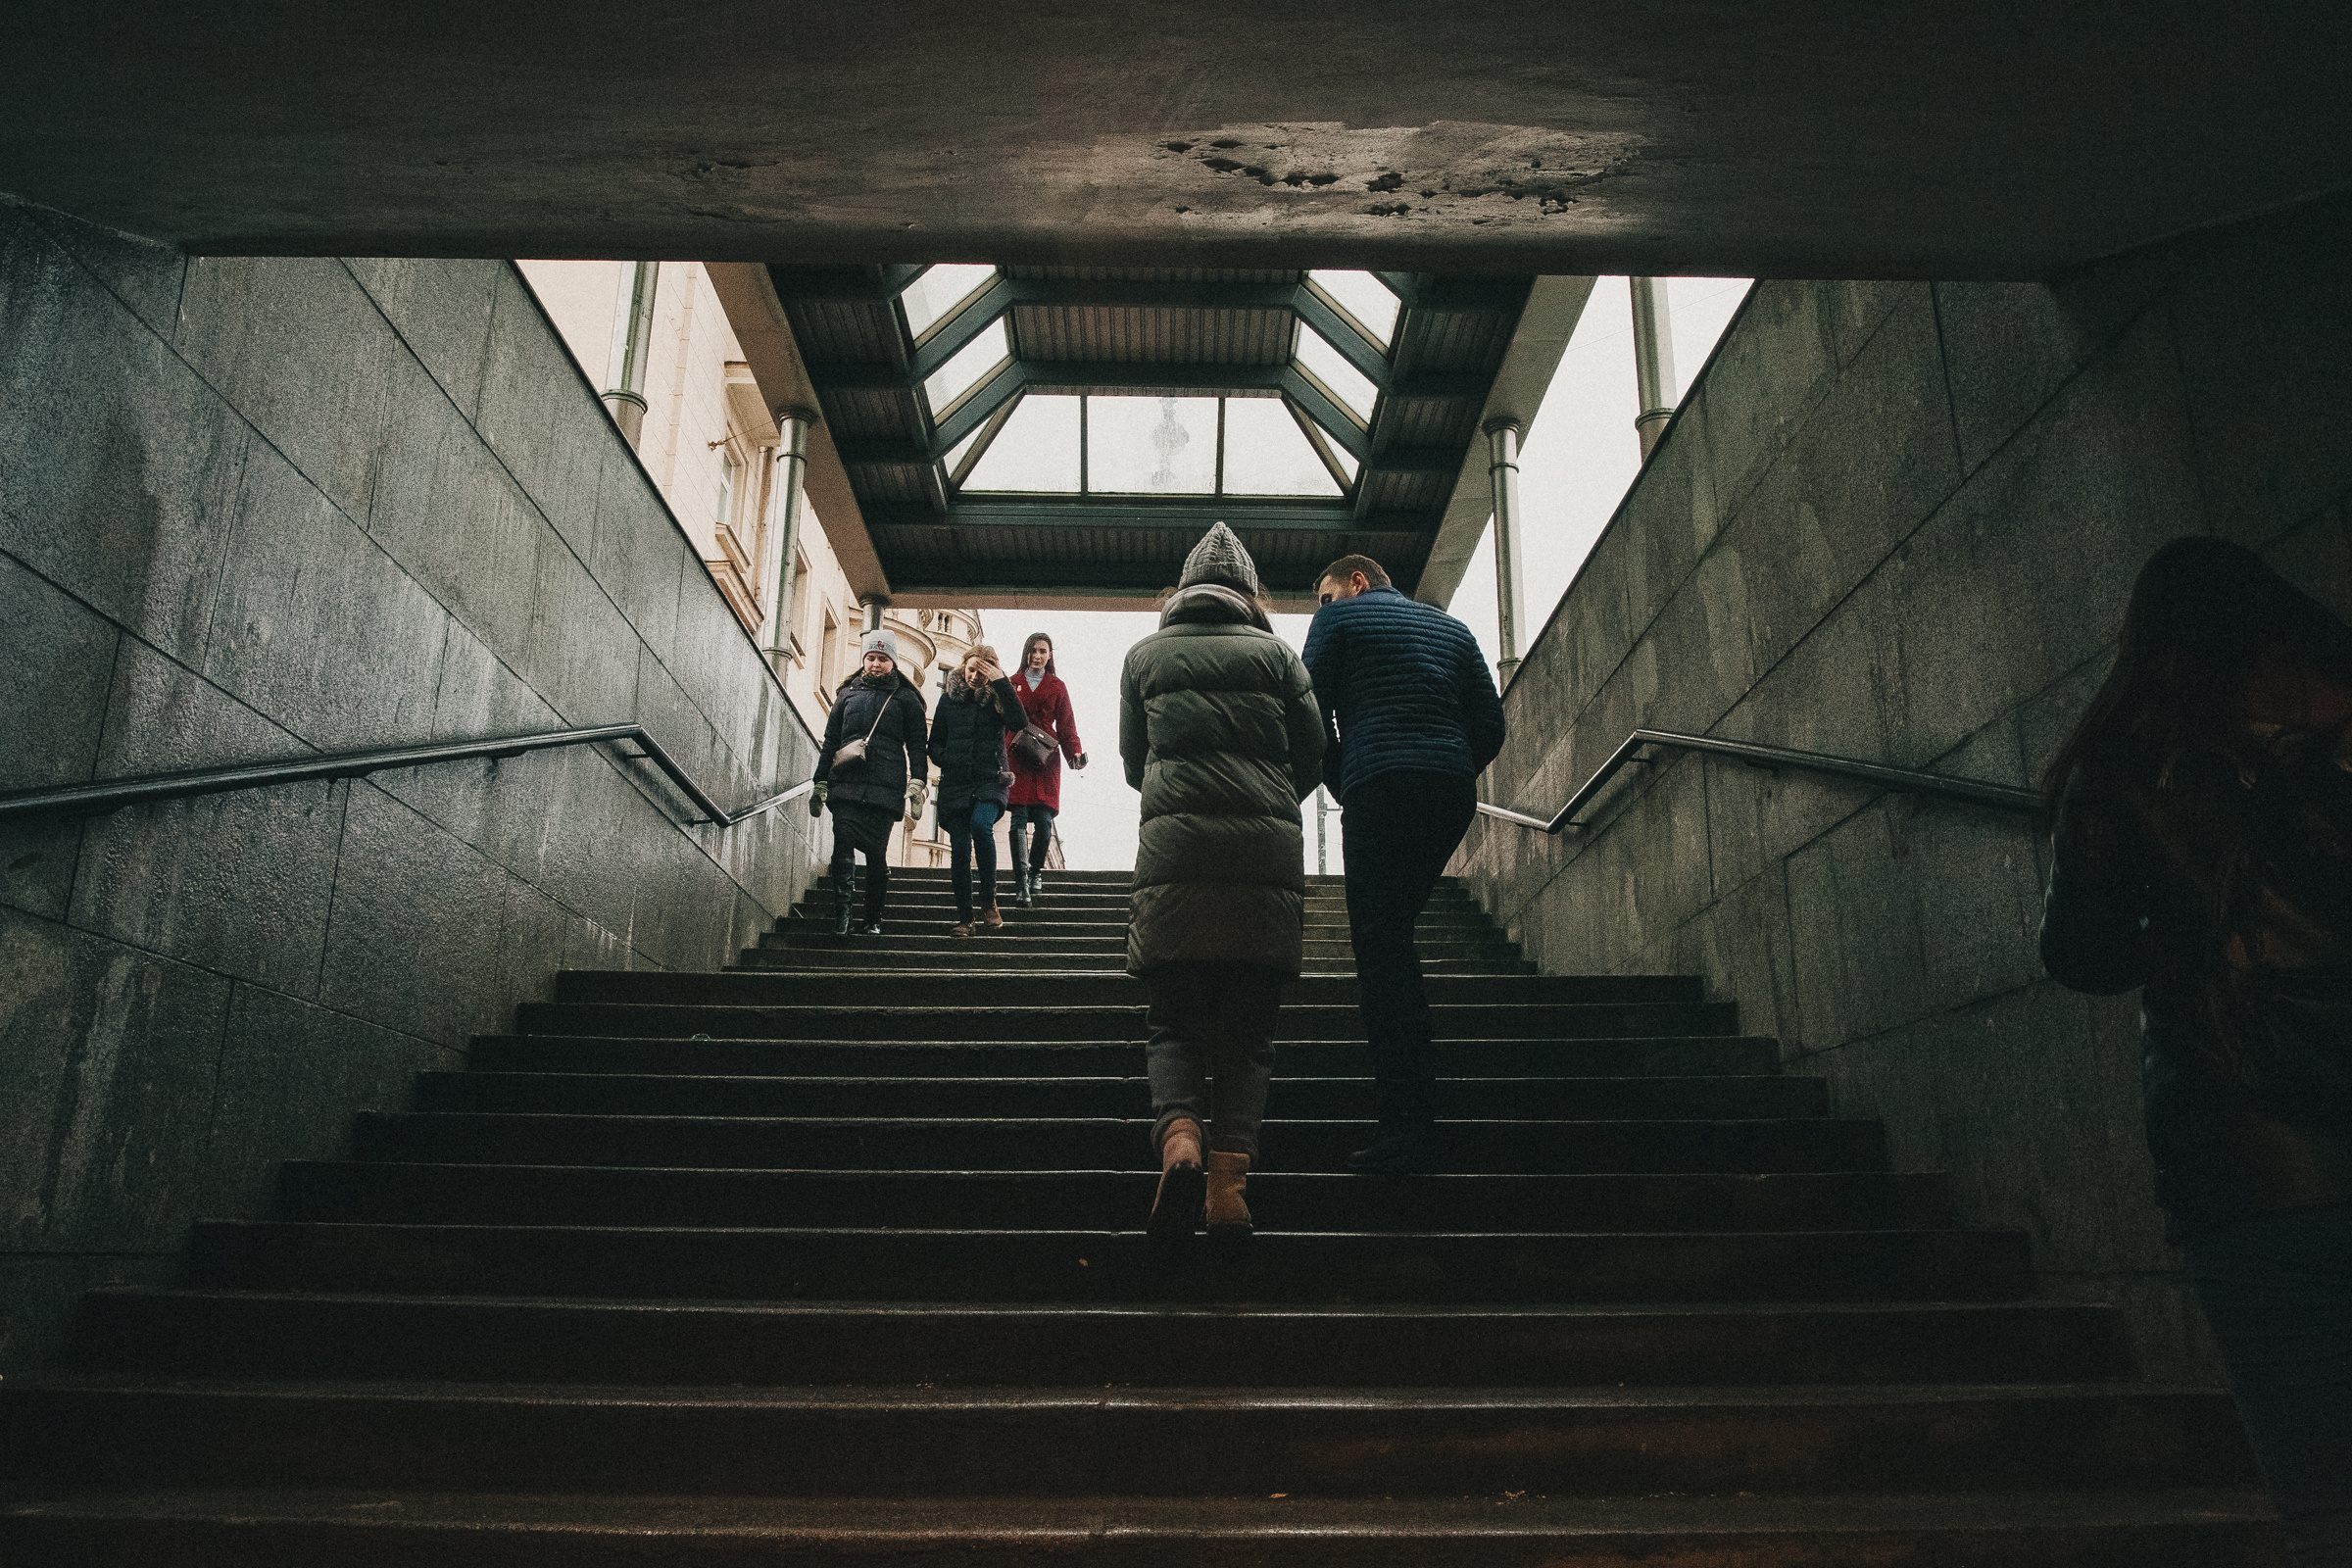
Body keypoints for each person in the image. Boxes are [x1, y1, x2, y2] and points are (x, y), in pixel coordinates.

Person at [2038, 538, 2351, 1566]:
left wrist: (2179, 933)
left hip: (2250, 1165)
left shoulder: (2130, 759)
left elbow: (2081, 953)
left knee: (2321, 1500)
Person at [1124, 523, 1326, 1244]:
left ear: (1182, 590)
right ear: (1249, 593)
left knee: (1173, 1023)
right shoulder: (1279, 658)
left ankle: (1180, 1139)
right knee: (1248, 1037)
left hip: (1173, 862)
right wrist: (1266, 795)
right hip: (1262, 867)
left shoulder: (1144, 657)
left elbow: (1130, 762)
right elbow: (1313, 755)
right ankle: (1229, 1190)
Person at [1301, 554, 1506, 1175]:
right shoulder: (1453, 629)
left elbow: (1308, 715)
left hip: (1380, 788)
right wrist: (1446, 767)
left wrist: (1348, 779)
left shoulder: (1338, 624)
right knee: (1394, 934)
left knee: (1382, 949)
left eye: (1327, 595)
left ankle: (1410, 1126)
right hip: (1448, 796)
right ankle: (1416, 1115)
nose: (1324, 607)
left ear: (1356, 583)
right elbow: (1491, 725)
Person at [808, 629, 929, 937]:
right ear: (864, 659)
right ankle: (843, 913)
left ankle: (873, 917)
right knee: (843, 840)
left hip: (885, 784)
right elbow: (831, 741)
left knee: (876, 853)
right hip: (846, 780)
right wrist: (820, 781)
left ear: (893, 661)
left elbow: (917, 744)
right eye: (871, 657)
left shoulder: (906, 697)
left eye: (883, 658)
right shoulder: (847, 693)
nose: (876, 663)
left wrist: (918, 782)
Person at [928, 643, 1025, 937]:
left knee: (981, 826)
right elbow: (935, 744)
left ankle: (989, 900)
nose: (974, 677)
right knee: (959, 848)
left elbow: (1020, 722)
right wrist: (948, 760)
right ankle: (964, 917)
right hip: (956, 783)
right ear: (963, 667)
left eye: (981, 673)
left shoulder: (997, 698)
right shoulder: (948, 699)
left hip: (989, 780)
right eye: (971, 670)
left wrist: (1001, 682)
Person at [1006, 630, 1086, 907]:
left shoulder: (1057, 686)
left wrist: (1074, 754)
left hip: (1046, 758)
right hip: (1017, 754)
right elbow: (1002, 719)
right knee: (1018, 820)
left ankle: (1035, 872)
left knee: (1043, 824)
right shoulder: (1012, 682)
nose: (1037, 656)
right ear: (1026, 653)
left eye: (1042, 651)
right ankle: (1020, 883)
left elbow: (1066, 725)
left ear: (1050, 655)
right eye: (1033, 651)